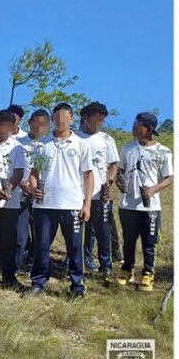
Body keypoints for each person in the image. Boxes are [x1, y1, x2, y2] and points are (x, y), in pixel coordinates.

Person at [27, 103, 93, 299]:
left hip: (72, 205)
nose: (60, 122)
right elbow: (33, 172)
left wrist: (87, 204)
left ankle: (77, 286)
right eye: (56, 118)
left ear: (71, 119)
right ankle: (38, 283)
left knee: (74, 247)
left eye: (64, 118)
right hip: (45, 205)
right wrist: (33, 188)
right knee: (42, 245)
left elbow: (89, 176)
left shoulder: (81, 145)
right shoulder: (42, 144)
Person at [115, 112, 173, 292]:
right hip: (127, 204)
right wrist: (119, 180)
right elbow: (121, 170)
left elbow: (169, 177)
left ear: (148, 128)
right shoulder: (127, 148)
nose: (133, 127)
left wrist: (153, 189)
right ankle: (127, 269)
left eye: (137, 124)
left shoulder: (163, 152)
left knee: (149, 242)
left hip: (150, 208)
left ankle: (148, 274)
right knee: (129, 240)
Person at [77, 102, 119, 282]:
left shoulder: (107, 139)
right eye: (96, 119)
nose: (99, 123)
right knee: (80, 230)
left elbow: (113, 165)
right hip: (78, 193)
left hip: (100, 195)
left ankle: (106, 265)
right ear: (86, 118)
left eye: (102, 120)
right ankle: (82, 260)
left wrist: (108, 183)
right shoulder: (75, 138)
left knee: (103, 231)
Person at [0, 110, 27, 290]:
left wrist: (8, 188)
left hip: (10, 200)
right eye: (0, 124)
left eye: (7, 125)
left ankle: (8, 277)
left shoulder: (17, 147)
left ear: (13, 127)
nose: (3, 128)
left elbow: (19, 172)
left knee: (9, 241)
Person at [16, 110, 51, 272]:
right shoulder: (18, 143)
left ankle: (35, 261)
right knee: (21, 234)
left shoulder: (48, 145)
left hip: (41, 196)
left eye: (44, 124)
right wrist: (23, 185)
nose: (39, 127)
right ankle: (17, 264)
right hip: (21, 194)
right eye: (36, 123)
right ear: (30, 123)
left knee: (41, 233)